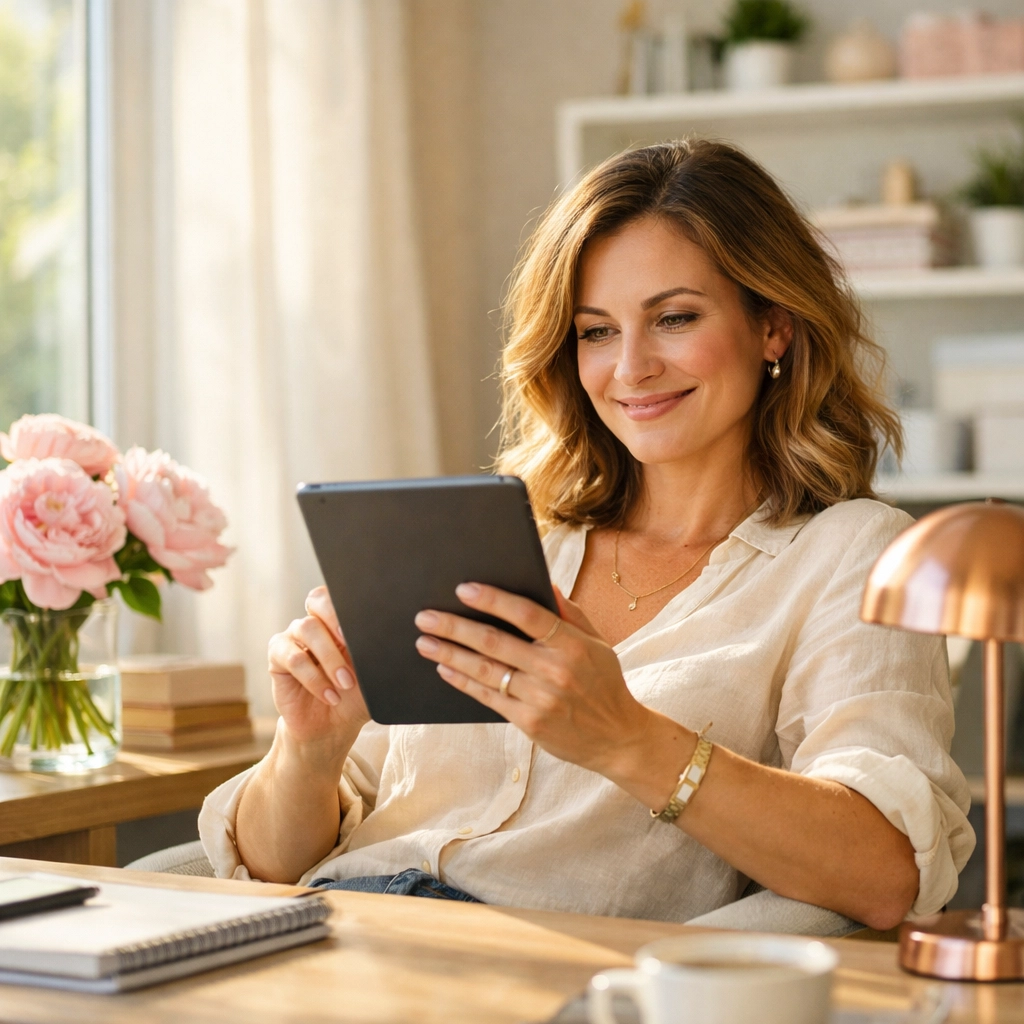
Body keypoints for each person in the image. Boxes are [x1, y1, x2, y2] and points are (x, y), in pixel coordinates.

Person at [200, 139, 973, 929]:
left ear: (772, 326)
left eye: (674, 318)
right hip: (335, 935)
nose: (630, 368)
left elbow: (884, 872)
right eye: (596, 331)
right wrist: (311, 749)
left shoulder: (850, 554)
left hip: (537, 982)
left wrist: (626, 740)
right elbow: (271, 866)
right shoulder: (500, 541)